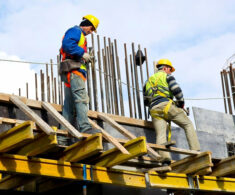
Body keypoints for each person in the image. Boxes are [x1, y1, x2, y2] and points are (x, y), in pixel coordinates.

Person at [143, 59, 200, 165]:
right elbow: (177, 90)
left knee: (160, 135)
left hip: (154, 110)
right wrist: (180, 103)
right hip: (167, 106)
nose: (170, 72)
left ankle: (165, 160)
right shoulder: (167, 76)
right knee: (188, 124)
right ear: (164, 68)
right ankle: (195, 151)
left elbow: (146, 101)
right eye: (170, 69)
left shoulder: (148, 81)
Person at [59, 14, 99, 134]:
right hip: (74, 72)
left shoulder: (80, 36)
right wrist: (82, 53)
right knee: (81, 99)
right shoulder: (76, 31)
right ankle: (85, 128)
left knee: (69, 107)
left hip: (71, 72)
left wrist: (85, 58)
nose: (91, 32)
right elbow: (67, 45)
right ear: (86, 25)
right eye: (91, 29)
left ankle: (62, 136)